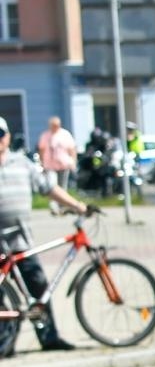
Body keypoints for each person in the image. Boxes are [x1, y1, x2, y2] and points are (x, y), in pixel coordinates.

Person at [0, 115, 91, 353]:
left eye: (0, 136)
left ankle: (49, 338)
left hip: (21, 240)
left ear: (7, 137)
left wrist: (77, 206)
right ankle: (4, 344)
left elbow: (48, 188)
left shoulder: (21, 163)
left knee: (39, 288)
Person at [36, 117, 78, 191]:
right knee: (52, 185)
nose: (55, 127)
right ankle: (54, 202)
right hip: (49, 165)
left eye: (57, 125)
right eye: (53, 125)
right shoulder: (45, 135)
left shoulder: (65, 134)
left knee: (63, 186)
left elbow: (72, 149)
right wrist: (41, 162)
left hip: (63, 165)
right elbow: (41, 150)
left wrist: (73, 161)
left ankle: (62, 202)